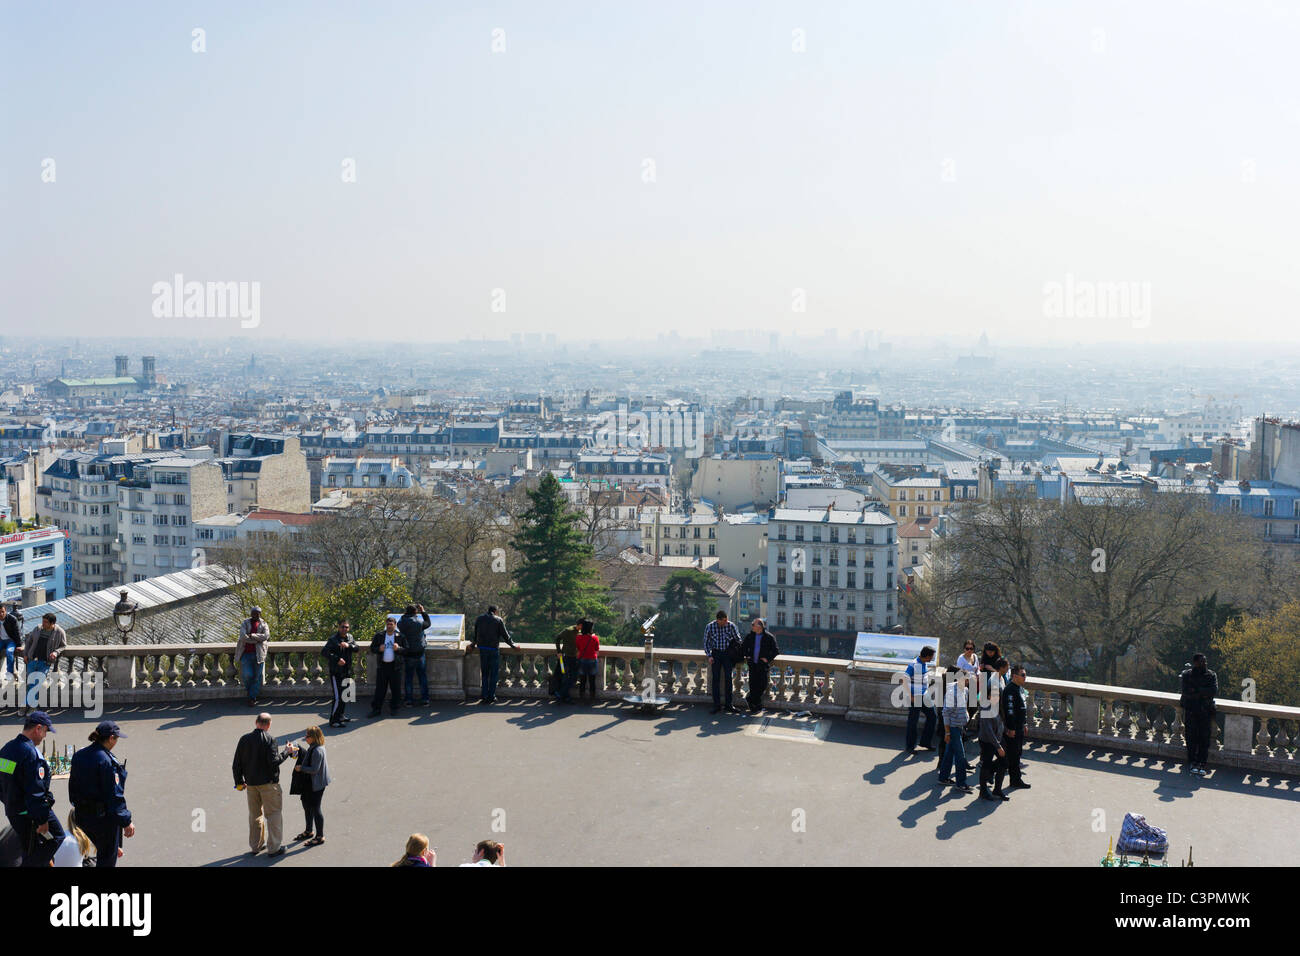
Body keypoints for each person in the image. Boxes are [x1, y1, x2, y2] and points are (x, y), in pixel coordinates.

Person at [0, 711, 66, 867]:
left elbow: (3, 783)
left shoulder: (7, 749)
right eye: (45, 731)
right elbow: (36, 790)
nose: (45, 736)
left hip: (13, 810)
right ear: (38, 728)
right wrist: (42, 819)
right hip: (30, 811)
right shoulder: (30, 754)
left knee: (29, 848)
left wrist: (11, 802)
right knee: (56, 837)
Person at [68, 720, 134, 867]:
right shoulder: (106, 761)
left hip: (82, 816)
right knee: (106, 859)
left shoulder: (79, 755)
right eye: (116, 738)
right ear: (111, 738)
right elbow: (114, 795)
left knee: (95, 851)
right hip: (103, 820)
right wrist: (126, 821)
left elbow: (72, 787)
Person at [232, 712, 297, 857]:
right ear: (268, 725)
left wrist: (239, 782)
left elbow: (236, 764)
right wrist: (287, 752)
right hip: (269, 785)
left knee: (255, 815)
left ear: (256, 723)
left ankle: (256, 846)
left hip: (251, 784)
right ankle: (274, 848)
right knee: (273, 814)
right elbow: (274, 762)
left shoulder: (244, 739)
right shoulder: (270, 739)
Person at [291, 726, 331, 847]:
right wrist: (299, 749)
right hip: (310, 783)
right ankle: (309, 831)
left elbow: (314, 769)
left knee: (315, 809)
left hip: (316, 785)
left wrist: (300, 768)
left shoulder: (318, 750)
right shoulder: (314, 747)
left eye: (307, 736)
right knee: (307, 806)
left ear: (313, 738)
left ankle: (320, 836)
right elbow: (308, 756)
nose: (305, 738)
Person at [469, 605, 518, 705]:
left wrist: (473, 644)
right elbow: (505, 635)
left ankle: (484, 695)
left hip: (482, 649)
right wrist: (513, 645)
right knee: (494, 674)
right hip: (493, 649)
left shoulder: (479, 619)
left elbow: (475, 634)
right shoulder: (498, 620)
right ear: (495, 611)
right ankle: (491, 696)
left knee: (485, 673)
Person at [1180, 653, 1218, 776]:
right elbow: (1186, 691)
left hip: (1205, 711)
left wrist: (1197, 690)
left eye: (1205, 661)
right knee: (1191, 738)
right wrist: (1203, 691)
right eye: (1202, 661)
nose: (1204, 664)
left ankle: (1202, 763)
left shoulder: (1211, 675)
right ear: (1195, 663)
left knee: (1204, 739)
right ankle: (1192, 762)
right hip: (1191, 711)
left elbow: (1213, 690)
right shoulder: (1187, 675)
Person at [937, 670, 974, 793]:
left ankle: (943, 777)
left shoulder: (965, 690)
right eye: (965, 679)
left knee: (949, 753)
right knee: (960, 756)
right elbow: (945, 713)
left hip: (959, 726)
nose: (967, 682)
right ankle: (961, 783)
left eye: (968, 679)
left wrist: (966, 716)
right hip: (953, 728)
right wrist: (947, 733)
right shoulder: (952, 693)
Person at [978, 658, 1010, 801]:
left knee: (1004, 762)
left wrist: (1005, 730)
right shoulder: (986, 707)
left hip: (998, 737)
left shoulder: (996, 704)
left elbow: (999, 720)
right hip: (988, 740)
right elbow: (988, 730)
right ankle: (983, 791)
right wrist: (998, 746)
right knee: (986, 764)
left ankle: (997, 789)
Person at [22, 612, 66, 711]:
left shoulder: (59, 632)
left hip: (45, 662)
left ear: (52, 623)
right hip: (32, 660)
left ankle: (28, 706)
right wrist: (25, 654)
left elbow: (63, 646)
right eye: (43, 621)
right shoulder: (38, 628)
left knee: (37, 684)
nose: (43, 624)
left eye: (46, 622)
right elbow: (29, 641)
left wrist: (55, 652)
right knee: (30, 683)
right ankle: (29, 705)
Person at [703, 611, 742, 714]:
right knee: (715, 679)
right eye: (724, 620)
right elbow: (706, 642)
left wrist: (734, 650)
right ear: (718, 620)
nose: (726, 622)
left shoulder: (731, 626)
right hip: (716, 653)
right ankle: (717, 705)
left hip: (727, 654)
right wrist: (709, 655)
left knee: (728, 679)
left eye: (726, 619)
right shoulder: (710, 627)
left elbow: (738, 640)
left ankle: (729, 705)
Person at [740, 617, 780, 713]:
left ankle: (750, 700)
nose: (752, 626)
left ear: (760, 626)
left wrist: (767, 659)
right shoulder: (750, 636)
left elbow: (776, 651)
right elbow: (743, 648)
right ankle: (756, 706)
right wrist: (748, 656)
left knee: (763, 684)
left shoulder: (769, 637)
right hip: (753, 664)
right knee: (753, 685)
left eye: (753, 624)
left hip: (762, 665)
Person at [322, 619, 356, 728]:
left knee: (345, 695)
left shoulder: (350, 637)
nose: (344, 629)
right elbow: (325, 652)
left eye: (346, 627)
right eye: (342, 627)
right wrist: (337, 659)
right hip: (336, 672)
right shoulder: (333, 639)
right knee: (337, 697)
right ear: (338, 627)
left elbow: (357, 648)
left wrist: (349, 646)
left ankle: (340, 715)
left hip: (347, 671)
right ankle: (333, 720)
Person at [1002, 664, 1031, 790]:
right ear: (1015, 676)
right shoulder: (1010, 690)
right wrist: (1011, 728)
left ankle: (1015, 779)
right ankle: (1014, 779)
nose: (1025, 677)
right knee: (1012, 756)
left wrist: (1024, 723)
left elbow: (1022, 708)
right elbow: (1010, 711)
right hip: (1013, 728)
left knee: (1016, 754)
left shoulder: (1019, 688)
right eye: (1023, 675)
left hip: (1019, 727)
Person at [904, 645, 938, 753]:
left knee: (932, 717)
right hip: (916, 697)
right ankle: (910, 746)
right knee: (913, 722)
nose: (933, 658)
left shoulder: (924, 663)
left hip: (924, 695)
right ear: (927, 656)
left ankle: (925, 742)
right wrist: (911, 696)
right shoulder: (914, 665)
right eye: (932, 656)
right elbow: (904, 680)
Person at [398, 604, 433, 707]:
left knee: (408, 678)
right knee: (422, 677)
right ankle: (425, 699)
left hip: (408, 653)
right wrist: (423, 611)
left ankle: (408, 700)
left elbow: (401, 620)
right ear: (415, 612)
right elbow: (428, 623)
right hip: (419, 653)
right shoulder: (418, 622)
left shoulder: (401, 623)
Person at [368, 616, 403, 717]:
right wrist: (379, 649)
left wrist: (399, 648)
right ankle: (376, 709)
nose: (389, 626)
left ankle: (395, 708)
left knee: (395, 689)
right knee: (380, 689)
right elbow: (372, 648)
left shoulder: (400, 636)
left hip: (395, 667)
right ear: (386, 625)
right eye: (388, 624)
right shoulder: (379, 635)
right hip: (382, 666)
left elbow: (406, 649)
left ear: (395, 625)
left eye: (391, 624)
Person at [237, 607, 270, 706]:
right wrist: (257, 639)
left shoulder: (264, 624)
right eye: (254, 613)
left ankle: (252, 697)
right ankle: (250, 691)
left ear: (260, 614)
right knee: (247, 675)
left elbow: (266, 636)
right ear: (251, 613)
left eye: (258, 613)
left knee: (256, 677)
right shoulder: (245, 623)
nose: (256, 615)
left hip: (259, 654)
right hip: (246, 654)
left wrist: (252, 636)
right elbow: (243, 637)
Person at [553, 621, 580, 705]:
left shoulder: (581, 632)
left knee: (574, 677)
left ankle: (561, 694)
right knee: (565, 676)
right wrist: (559, 651)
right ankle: (565, 696)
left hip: (574, 657)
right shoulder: (568, 630)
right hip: (566, 657)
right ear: (579, 625)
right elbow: (558, 638)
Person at [575, 619, 600, 703]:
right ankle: (592, 697)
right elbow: (596, 649)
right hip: (592, 660)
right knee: (592, 680)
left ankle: (582, 697)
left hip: (582, 660)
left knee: (583, 680)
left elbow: (578, 648)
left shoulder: (578, 637)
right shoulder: (595, 638)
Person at [0, 602, 21, 679]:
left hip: (10, 640)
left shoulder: (12, 619)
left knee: (9, 652)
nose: (1, 614)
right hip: (1, 640)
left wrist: (19, 645)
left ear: (5, 611)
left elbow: (17, 632)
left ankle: (9, 673)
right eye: (0, 612)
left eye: (3, 612)